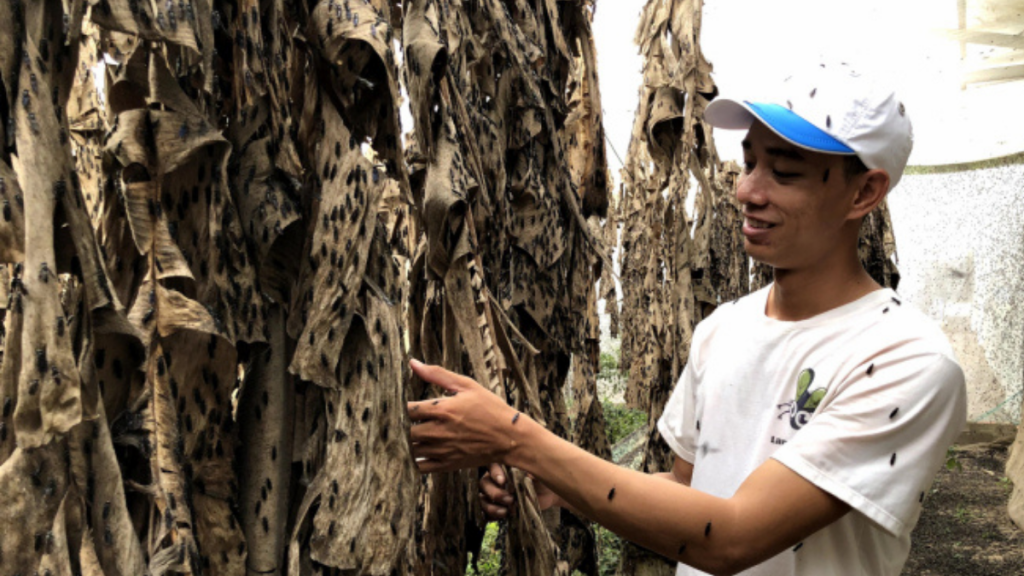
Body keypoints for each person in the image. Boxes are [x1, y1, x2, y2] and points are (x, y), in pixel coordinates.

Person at [405, 66, 967, 576]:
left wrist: (517, 437)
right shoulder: (721, 329)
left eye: (786, 173)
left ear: (864, 192)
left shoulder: (906, 361)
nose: (747, 191)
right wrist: (560, 485)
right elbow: (689, 488)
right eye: (749, 163)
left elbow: (730, 536)